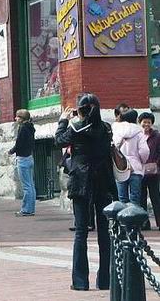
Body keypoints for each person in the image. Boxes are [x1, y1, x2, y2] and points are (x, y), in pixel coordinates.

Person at [55, 93, 115, 291]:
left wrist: (63, 120)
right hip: (103, 180)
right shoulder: (106, 128)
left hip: (81, 180)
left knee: (81, 232)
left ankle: (80, 281)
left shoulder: (76, 127)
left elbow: (59, 141)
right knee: (104, 232)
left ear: (80, 110)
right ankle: (105, 280)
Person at [113, 109, 149, 205]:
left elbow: (113, 148)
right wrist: (141, 162)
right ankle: (134, 219)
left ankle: (122, 219)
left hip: (121, 168)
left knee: (122, 199)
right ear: (136, 119)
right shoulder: (139, 133)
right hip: (135, 168)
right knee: (135, 199)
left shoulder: (117, 131)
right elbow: (145, 151)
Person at [9, 109, 36, 217]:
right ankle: (31, 208)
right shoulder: (31, 127)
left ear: (21, 118)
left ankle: (26, 210)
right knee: (31, 185)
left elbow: (19, 143)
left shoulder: (22, 128)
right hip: (29, 157)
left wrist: (11, 151)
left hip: (23, 159)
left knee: (26, 186)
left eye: (17, 117)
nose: (15, 119)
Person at [138, 112, 160, 230]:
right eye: (144, 122)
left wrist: (156, 163)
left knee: (156, 197)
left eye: (149, 122)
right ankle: (144, 223)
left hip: (153, 172)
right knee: (141, 198)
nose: (146, 124)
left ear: (152, 123)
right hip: (140, 172)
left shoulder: (157, 136)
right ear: (139, 122)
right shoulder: (137, 136)